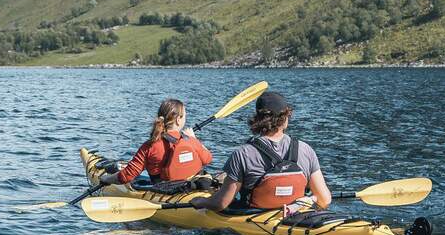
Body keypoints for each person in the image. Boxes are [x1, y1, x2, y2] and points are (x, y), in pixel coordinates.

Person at [203, 90, 332, 214]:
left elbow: (221, 204)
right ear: (286, 118)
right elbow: (324, 200)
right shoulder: (306, 150)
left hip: (254, 220)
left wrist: (201, 202)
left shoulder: (243, 154)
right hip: (294, 217)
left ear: (258, 119)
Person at [100, 98, 213, 187]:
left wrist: (106, 179)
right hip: (191, 188)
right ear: (178, 120)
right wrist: (194, 138)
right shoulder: (191, 141)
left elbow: (126, 176)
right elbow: (208, 159)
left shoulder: (150, 146)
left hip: (166, 191)